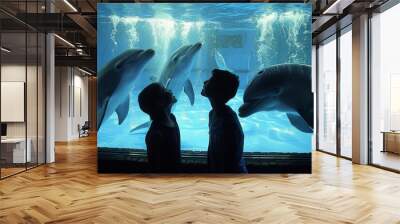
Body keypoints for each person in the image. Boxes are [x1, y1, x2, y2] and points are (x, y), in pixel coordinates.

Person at [201, 69, 247, 173]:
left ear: (217, 90)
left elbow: (231, 158)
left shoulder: (228, 122)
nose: (204, 82)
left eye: (209, 81)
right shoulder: (213, 114)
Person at [138, 83, 181, 173]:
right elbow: (155, 167)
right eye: (165, 90)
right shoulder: (155, 135)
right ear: (160, 102)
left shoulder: (172, 118)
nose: (170, 90)